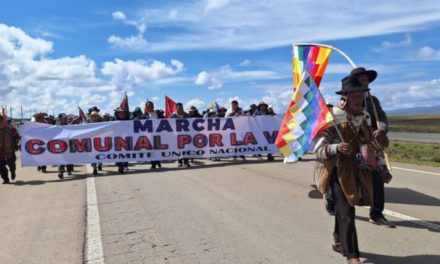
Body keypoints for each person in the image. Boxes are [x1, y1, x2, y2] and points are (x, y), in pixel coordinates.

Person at [314, 77, 374, 264]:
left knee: (345, 209)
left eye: (362, 94)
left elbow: (368, 145)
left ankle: (338, 239)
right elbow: (318, 151)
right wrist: (336, 148)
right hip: (337, 171)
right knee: (347, 212)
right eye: (356, 94)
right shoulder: (332, 118)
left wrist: (379, 165)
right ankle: (351, 255)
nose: (360, 99)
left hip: (357, 169)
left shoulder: (364, 118)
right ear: (345, 96)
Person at [347, 67, 394, 228]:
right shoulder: (347, 99)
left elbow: (382, 117)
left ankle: (376, 214)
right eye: (361, 77)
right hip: (351, 146)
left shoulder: (373, 100)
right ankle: (334, 203)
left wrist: (381, 128)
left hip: (371, 146)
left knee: (377, 178)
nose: (365, 79)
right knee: (345, 178)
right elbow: (348, 122)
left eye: (367, 78)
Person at [170, 103, 190, 167]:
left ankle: (186, 162)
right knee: (178, 149)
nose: (181, 108)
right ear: (176, 108)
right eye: (179, 107)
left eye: (181, 107)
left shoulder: (186, 115)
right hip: (177, 135)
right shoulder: (173, 115)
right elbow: (169, 123)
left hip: (186, 134)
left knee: (186, 148)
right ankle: (180, 162)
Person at [144, 101, 163, 169]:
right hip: (149, 136)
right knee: (151, 150)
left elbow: (165, 120)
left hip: (158, 134)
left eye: (151, 106)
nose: (150, 107)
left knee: (158, 149)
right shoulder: (144, 116)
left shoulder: (158, 113)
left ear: (153, 106)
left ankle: (158, 161)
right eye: (148, 106)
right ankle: (153, 163)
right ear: (146, 107)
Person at [0, 115, 18, 184]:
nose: (1, 124)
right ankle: (6, 179)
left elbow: (17, 136)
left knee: (11, 165)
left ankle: (13, 172)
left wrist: (16, 145)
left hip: (9, 151)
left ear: (4, 122)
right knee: (1, 167)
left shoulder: (11, 129)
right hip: (0, 153)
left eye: (1, 122)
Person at [113, 107, 130, 173]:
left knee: (125, 153)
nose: (121, 114)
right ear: (117, 114)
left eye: (123, 113)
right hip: (117, 140)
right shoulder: (113, 122)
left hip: (127, 140)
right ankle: (120, 166)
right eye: (120, 113)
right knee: (118, 153)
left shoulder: (130, 121)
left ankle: (125, 165)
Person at [57, 113, 74, 179]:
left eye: (65, 118)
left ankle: (69, 170)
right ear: (60, 119)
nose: (65, 119)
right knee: (61, 158)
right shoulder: (56, 127)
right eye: (63, 118)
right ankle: (60, 172)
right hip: (60, 144)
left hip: (69, 143)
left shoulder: (69, 125)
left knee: (69, 158)